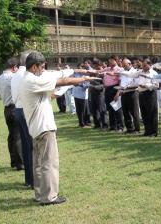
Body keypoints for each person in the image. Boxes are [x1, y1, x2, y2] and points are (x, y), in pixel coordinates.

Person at [19, 51, 98, 205]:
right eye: (41, 67)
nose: (43, 70)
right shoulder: (31, 81)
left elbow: (54, 74)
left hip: (37, 127)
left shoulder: (28, 78)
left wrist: (77, 71)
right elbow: (60, 81)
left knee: (39, 164)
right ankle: (49, 196)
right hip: (44, 128)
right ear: (34, 67)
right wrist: (83, 78)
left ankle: (40, 194)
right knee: (49, 163)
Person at [11, 51, 35, 187]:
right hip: (24, 110)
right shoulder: (25, 75)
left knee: (27, 146)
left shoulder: (16, 75)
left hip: (18, 110)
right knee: (31, 146)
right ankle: (32, 180)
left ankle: (29, 179)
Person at [0, 57, 24, 171]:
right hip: (15, 107)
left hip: (6, 109)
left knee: (11, 136)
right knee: (18, 136)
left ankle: (14, 161)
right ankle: (20, 163)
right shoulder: (13, 77)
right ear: (14, 67)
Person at [117, 58, 141, 134]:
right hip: (124, 93)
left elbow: (137, 84)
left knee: (134, 112)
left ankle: (137, 129)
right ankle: (129, 128)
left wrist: (128, 87)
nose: (123, 67)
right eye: (123, 65)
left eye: (125, 65)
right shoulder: (123, 72)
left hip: (132, 93)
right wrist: (120, 90)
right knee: (125, 112)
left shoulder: (135, 72)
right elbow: (122, 83)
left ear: (130, 64)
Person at [101, 56, 124, 132]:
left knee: (117, 108)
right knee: (110, 109)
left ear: (116, 61)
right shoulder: (107, 69)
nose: (110, 62)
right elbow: (99, 72)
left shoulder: (119, 70)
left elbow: (121, 82)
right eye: (109, 61)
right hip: (107, 89)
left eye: (111, 61)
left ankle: (120, 126)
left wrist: (117, 93)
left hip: (115, 89)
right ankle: (112, 126)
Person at [88, 59, 108, 129]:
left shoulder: (103, 73)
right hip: (93, 93)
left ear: (99, 65)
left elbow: (104, 84)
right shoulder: (93, 72)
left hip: (100, 93)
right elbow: (90, 81)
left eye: (95, 65)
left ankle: (105, 125)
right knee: (94, 109)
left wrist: (95, 87)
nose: (94, 67)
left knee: (102, 109)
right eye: (93, 65)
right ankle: (97, 124)